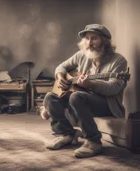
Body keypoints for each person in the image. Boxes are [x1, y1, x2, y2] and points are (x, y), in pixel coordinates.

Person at [41, 24, 128, 158]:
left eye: (94, 38)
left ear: (105, 41)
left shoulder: (118, 60)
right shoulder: (82, 55)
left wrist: (91, 84)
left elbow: (114, 88)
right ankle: (66, 134)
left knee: (77, 96)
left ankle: (93, 142)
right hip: (82, 97)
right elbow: (61, 67)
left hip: (106, 104)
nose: (89, 43)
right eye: (87, 39)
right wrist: (59, 77)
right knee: (50, 97)